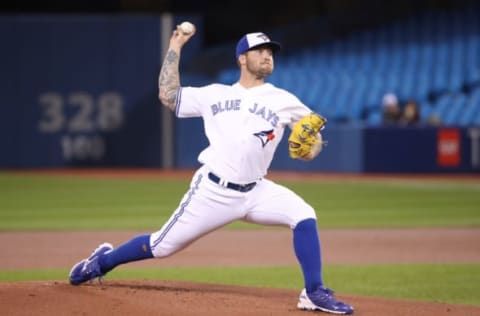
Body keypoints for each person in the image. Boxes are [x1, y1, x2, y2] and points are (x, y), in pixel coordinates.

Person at [68, 25, 354, 315]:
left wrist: (311, 149)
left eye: (270, 52)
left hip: (257, 190)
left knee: (303, 214)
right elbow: (168, 95)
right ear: (242, 58)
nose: (267, 56)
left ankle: (314, 292)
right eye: (260, 51)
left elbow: (311, 138)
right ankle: (101, 262)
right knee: (161, 245)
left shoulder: (284, 100)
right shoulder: (214, 94)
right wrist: (175, 46)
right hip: (213, 191)